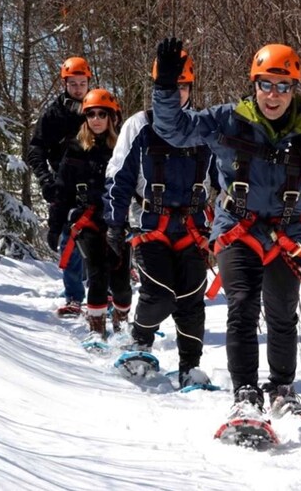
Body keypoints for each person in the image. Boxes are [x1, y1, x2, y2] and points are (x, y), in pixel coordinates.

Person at [150, 37, 301, 419]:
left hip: (286, 232)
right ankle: (244, 393)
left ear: (293, 90)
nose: (273, 96)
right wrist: (165, 87)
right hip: (236, 228)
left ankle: (282, 389)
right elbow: (174, 130)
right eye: (266, 85)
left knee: (282, 312)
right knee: (242, 305)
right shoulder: (227, 120)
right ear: (253, 85)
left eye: (283, 86)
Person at [104, 50, 218, 388]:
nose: (178, 92)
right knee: (161, 293)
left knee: (192, 299)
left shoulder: (204, 126)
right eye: (171, 86)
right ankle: (139, 340)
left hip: (193, 227)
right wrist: (114, 222)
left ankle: (189, 366)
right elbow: (119, 175)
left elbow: (226, 178)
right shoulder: (139, 125)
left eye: (184, 86)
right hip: (150, 224)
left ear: (191, 88)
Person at [49, 89, 132, 339]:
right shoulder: (74, 151)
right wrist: (55, 227)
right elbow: (62, 193)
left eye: (101, 114)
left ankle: (121, 326)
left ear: (111, 118)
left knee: (120, 280)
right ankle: (97, 331)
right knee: (97, 272)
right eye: (91, 114)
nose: (96, 119)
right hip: (87, 221)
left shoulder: (123, 150)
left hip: (118, 222)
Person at [27, 56, 91, 315]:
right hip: (66, 186)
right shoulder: (54, 114)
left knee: (101, 242)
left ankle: (106, 294)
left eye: (82, 83)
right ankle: (74, 296)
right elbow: (35, 149)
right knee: (70, 242)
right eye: (73, 83)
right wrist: (46, 179)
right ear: (65, 84)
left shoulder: (97, 107)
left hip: (97, 183)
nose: (78, 88)